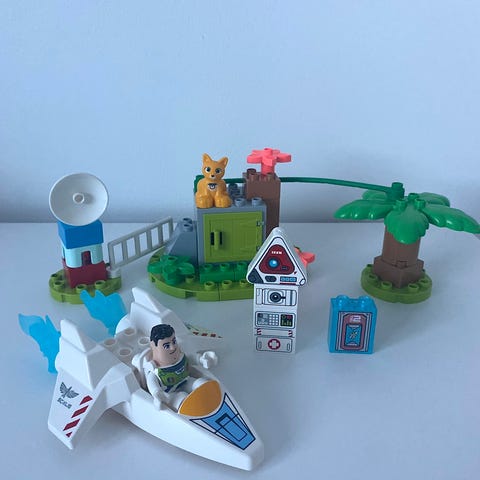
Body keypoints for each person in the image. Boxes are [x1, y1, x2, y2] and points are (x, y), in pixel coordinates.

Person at [145, 324, 217, 410]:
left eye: (174, 341)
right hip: (171, 394)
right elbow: (152, 383)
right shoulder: (155, 370)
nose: (173, 348)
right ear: (154, 346)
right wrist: (157, 393)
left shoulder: (180, 356)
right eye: (167, 346)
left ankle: (211, 403)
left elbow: (191, 358)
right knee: (182, 400)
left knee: (202, 384)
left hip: (187, 381)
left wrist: (201, 359)